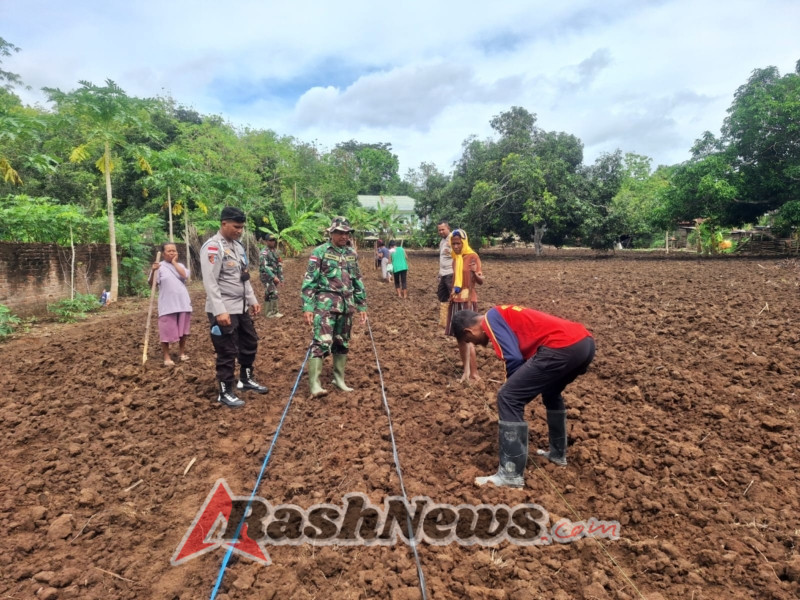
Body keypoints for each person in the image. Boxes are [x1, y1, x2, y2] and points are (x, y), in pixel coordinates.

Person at [451, 306, 595, 488]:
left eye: (469, 340)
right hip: (584, 344)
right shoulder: (501, 314)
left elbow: (514, 359)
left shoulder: (491, 321)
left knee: (507, 397)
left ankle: (510, 476)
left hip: (562, 346)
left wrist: (514, 390)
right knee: (551, 392)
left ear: (468, 331)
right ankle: (558, 455)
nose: (477, 344)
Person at [200, 206, 268, 408]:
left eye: (242, 227)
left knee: (249, 343)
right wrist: (219, 310)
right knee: (227, 350)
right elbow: (210, 282)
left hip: (241, 307)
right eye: (236, 227)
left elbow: (244, 277)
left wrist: (253, 299)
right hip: (224, 308)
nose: (240, 230)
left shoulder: (238, 247)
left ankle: (245, 379)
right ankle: (225, 391)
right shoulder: (213, 247)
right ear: (224, 223)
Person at [301, 216, 368, 396]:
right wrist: (308, 306)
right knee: (322, 342)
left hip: (347, 305)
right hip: (325, 305)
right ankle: (315, 384)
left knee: (342, 342)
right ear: (331, 232)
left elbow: (357, 280)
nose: (343, 236)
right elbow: (310, 280)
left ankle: (338, 379)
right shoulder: (320, 252)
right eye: (339, 232)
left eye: (346, 233)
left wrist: (362, 305)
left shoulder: (351, 254)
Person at [446, 229, 484, 382]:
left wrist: (475, 273)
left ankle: (474, 374)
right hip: (456, 300)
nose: (455, 246)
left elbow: (481, 281)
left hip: (468, 300)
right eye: (453, 244)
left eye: (458, 243)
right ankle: (465, 371)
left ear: (464, 242)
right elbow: (456, 279)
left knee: (468, 337)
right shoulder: (455, 258)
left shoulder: (473, 257)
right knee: (460, 338)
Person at [148, 243, 192, 366]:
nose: (172, 253)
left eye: (174, 251)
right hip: (167, 305)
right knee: (166, 331)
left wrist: (174, 263)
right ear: (163, 253)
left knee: (183, 331)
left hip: (183, 302)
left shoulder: (180, 266)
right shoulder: (159, 266)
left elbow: (184, 275)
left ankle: (181, 353)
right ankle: (166, 357)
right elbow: (152, 284)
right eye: (169, 251)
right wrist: (153, 271)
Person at [259, 234, 284, 318]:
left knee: (269, 293)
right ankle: (274, 312)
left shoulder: (276, 251)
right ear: (266, 241)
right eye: (270, 240)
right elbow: (264, 267)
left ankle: (268, 312)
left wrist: (281, 278)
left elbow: (279, 264)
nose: (272, 242)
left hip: (275, 275)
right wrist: (273, 277)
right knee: (273, 292)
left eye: (273, 240)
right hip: (266, 276)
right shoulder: (264, 252)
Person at [436, 220, 453, 331]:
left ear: (448, 228)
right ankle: (444, 321)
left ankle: (454, 320)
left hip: (451, 273)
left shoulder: (453, 239)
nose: (441, 232)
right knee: (442, 295)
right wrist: (439, 273)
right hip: (443, 273)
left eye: (443, 229)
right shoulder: (442, 241)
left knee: (454, 297)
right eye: (439, 230)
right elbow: (443, 258)